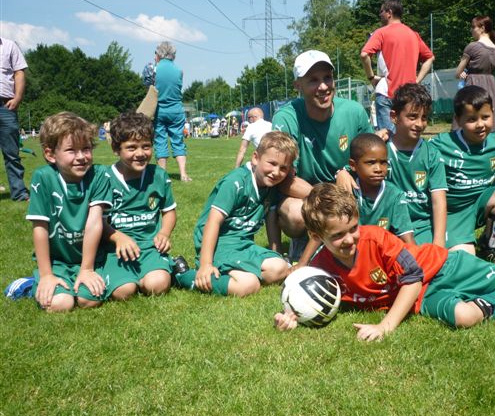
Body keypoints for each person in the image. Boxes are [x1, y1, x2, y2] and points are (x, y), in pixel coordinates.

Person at [274, 184, 495, 340]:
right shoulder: (321, 267)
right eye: (338, 236)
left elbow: (412, 278)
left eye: (352, 228)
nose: (350, 239)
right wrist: (292, 316)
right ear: (317, 235)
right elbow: (308, 292)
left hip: (440, 267)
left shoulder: (376, 239)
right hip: (421, 298)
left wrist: (386, 326)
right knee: (465, 317)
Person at [271, 50, 375, 260]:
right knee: (295, 215)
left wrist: (345, 171)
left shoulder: (354, 112)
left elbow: (371, 161)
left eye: (327, 77)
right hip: (306, 195)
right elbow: (282, 179)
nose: (323, 86)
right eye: (313, 80)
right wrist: (328, 198)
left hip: (348, 190)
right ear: (297, 86)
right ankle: (305, 241)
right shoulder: (287, 117)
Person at [174, 132, 296, 297]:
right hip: (219, 244)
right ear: (255, 158)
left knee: (280, 268)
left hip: (243, 244)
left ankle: (234, 272)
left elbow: (270, 220)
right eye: (272, 163)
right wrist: (205, 264)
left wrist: (278, 254)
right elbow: (213, 222)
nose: (276, 172)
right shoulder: (235, 182)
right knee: (248, 285)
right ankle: (183, 275)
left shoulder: (271, 186)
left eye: (283, 168)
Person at [24, 112, 112, 311]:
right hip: (58, 261)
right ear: (50, 155)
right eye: (71, 150)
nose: (81, 157)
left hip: (90, 259)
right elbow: (40, 227)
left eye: (86, 149)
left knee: (90, 300)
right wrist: (47, 275)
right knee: (60, 303)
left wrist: (87, 269)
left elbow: (94, 222)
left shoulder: (99, 175)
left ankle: (84, 272)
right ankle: (30, 284)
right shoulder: (43, 178)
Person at [429, 85, 495, 266]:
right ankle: (461, 238)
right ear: (458, 120)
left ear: (493, 113)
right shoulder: (440, 144)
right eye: (471, 119)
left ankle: (490, 246)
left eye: (485, 117)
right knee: (465, 260)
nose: (480, 124)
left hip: (480, 207)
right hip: (452, 213)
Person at [294, 133, 415, 267]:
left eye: (383, 162)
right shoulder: (345, 190)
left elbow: (407, 238)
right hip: (344, 251)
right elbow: (324, 227)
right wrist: (302, 263)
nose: (378, 169)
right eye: (371, 162)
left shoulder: (395, 195)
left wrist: (416, 265)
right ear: (353, 165)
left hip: (377, 257)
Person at [100, 112, 180, 301]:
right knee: (123, 292)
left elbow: (169, 211)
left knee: (157, 285)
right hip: (116, 250)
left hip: (150, 247)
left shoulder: (158, 175)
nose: (140, 153)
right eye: (131, 147)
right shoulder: (104, 178)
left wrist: (164, 233)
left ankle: (168, 267)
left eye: (146, 146)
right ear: (116, 149)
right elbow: (97, 221)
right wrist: (118, 237)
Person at [360, 0, 435, 134]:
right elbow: (430, 58)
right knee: (407, 137)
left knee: (387, 138)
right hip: (409, 94)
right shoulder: (414, 34)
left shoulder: (381, 32)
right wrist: (417, 80)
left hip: (387, 93)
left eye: (381, 11)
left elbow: (364, 55)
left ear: (389, 12)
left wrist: (371, 77)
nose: (380, 15)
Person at [386, 83, 447, 246]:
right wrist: (342, 172)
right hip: (386, 227)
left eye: (424, 117)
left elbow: (439, 201)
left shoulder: (432, 155)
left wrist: (438, 243)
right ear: (394, 116)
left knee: (426, 260)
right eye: (412, 117)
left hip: (421, 227)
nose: (419, 124)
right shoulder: (380, 150)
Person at [455, 16, 495, 131]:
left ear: (482, 28)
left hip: (474, 84)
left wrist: (462, 74)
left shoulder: (472, 46)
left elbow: (458, 72)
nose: (471, 30)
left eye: (473, 27)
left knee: (469, 116)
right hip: (490, 85)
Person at [153, 41, 191, 182]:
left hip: (160, 110)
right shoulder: (179, 71)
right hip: (176, 111)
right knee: (178, 141)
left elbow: (150, 91)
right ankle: (183, 174)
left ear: (159, 54)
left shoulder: (153, 69)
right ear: (173, 55)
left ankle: (163, 176)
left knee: (160, 142)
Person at [0, 37, 29, 201]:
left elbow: (19, 72)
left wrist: (17, 98)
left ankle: (19, 193)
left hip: (6, 105)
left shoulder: (9, 45)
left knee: (12, 153)